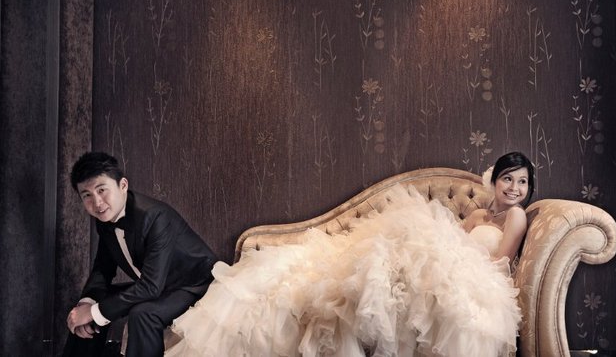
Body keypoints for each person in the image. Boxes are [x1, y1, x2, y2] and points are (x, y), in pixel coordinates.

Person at [166, 151, 534, 357]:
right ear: (494, 180)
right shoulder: (479, 214)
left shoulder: (516, 216)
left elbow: (499, 261)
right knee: (395, 252)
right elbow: (455, 238)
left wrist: (450, 265)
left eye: (522, 182)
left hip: (479, 278)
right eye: (508, 178)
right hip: (455, 264)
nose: (514, 188)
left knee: (413, 256)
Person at [62, 151, 218, 357]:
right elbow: (103, 269)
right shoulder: (105, 219)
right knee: (90, 304)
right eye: (87, 195)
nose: (97, 202)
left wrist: (93, 312)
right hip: (158, 285)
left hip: (194, 285)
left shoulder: (155, 217)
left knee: (143, 314)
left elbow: (151, 287)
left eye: (102, 190)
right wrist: (87, 304)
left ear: (123, 185)